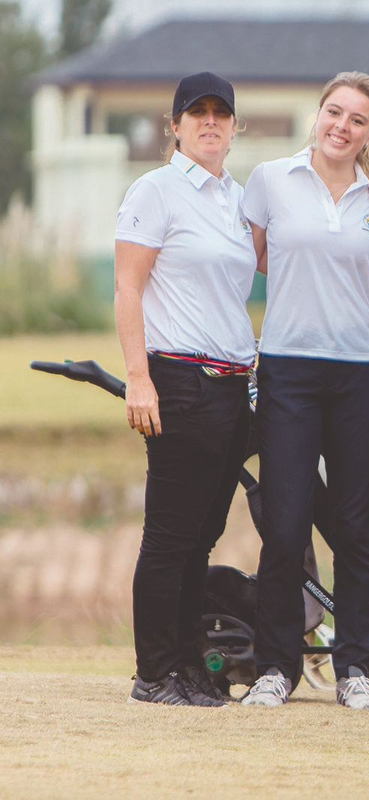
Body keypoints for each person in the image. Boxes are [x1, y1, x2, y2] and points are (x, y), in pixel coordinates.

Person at [238, 71, 369, 712]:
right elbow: (258, 258)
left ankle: (355, 668)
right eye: (335, 112)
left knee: (357, 528)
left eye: (357, 119)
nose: (342, 126)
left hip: (361, 373)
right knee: (284, 525)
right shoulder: (271, 179)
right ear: (319, 113)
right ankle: (276, 667)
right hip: (288, 371)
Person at [115, 72, 255, 706]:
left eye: (221, 113)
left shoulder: (237, 199)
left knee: (201, 537)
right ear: (174, 126)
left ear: (235, 125)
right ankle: (154, 673)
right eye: (197, 113)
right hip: (178, 379)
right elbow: (128, 288)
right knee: (170, 536)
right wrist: (138, 378)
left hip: (232, 386)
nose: (210, 122)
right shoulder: (156, 190)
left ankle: (189, 665)